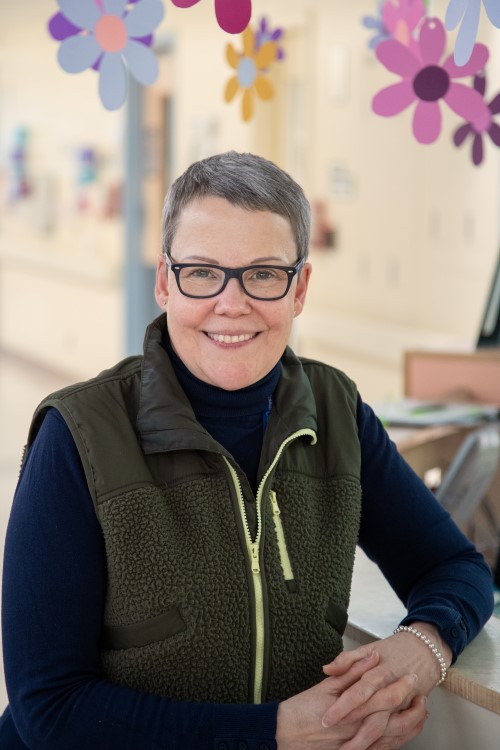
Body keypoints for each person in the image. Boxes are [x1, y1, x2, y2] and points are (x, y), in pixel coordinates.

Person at [0, 151, 494, 750]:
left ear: (300, 287)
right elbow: (48, 709)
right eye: (203, 272)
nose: (231, 304)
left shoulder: (336, 411)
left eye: (262, 274)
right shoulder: (78, 434)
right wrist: (274, 733)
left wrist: (426, 647)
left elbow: (455, 567)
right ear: (164, 280)